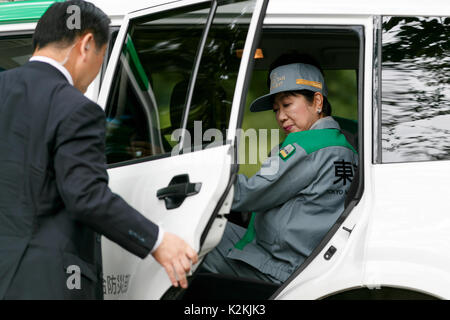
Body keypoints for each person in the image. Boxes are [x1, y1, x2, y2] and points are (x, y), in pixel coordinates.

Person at [0, 0, 197, 300]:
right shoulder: (76, 108)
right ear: (87, 44)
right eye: (103, 58)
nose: (95, 71)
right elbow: (85, 195)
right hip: (46, 283)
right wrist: (158, 241)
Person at [200, 53, 358, 284]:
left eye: (287, 104)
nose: (281, 117)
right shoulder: (345, 146)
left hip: (280, 266)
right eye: (276, 109)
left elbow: (249, 194)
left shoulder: (307, 146)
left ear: (317, 102)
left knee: (192, 238)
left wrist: (199, 183)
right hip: (310, 260)